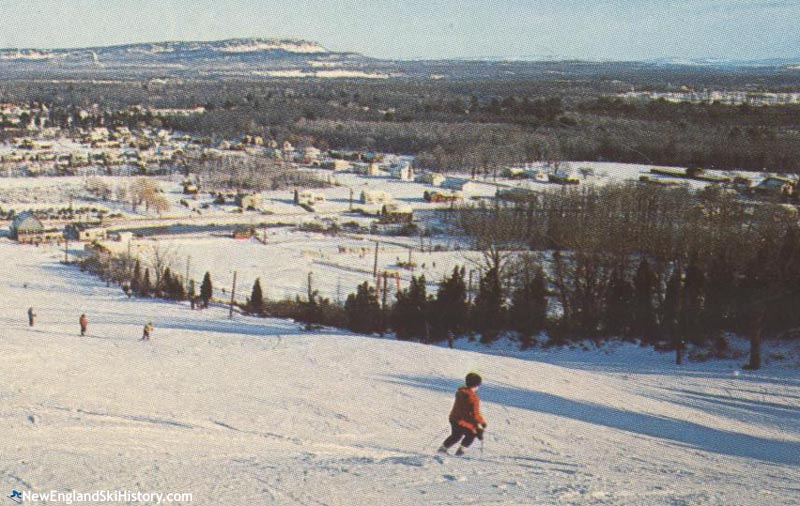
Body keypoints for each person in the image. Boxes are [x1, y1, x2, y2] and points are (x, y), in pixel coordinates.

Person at [438, 372, 487, 456]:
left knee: (456, 435)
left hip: (454, 418)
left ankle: (443, 449)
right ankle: (461, 451)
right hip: (462, 421)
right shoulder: (473, 397)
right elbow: (474, 413)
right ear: (476, 385)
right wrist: (479, 424)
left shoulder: (461, 392)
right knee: (472, 433)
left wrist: (480, 422)